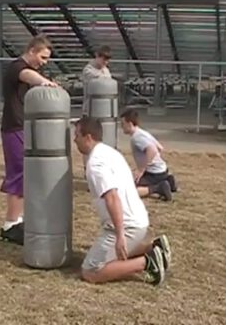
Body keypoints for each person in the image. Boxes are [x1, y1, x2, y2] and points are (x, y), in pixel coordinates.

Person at [73, 116, 171, 285]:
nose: (74, 140)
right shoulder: (110, 152)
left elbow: (112, 198)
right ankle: (153, 247)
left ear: (88, 137)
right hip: (138, 219)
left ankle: (148, 262)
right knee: (112, 252)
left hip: (127, 226)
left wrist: (120, 235)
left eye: (77, 135)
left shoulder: (95, 164)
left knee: (90, 271)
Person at [0, 34, 58, 245]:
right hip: (14, 127)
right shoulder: (18, 67)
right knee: (19, 175)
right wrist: (45, 83)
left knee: (25, 175)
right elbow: (27, 75)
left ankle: (18, 219)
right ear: (32, 51)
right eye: (42, 58)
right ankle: (10, 224)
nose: (44, 63)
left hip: (21, 127)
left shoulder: (27, 68)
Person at [119, 108, 178, 202]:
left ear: (129, 123)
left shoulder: (136, 138)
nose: (121, 127)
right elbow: (159, 147)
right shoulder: (143, 133)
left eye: (123, 124)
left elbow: (152, 149)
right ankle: (168, 180)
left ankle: (159, 188)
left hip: (153, 173)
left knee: (127, 190)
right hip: (162, 170)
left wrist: (141, 169)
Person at [81, 45, 112, 116]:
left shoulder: (106, 70)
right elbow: (100, 80)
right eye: (104, 59)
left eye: (107, 60)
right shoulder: (88, 70)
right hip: (90, 110)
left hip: (104, 110)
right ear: (97, 56)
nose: (106, 62)